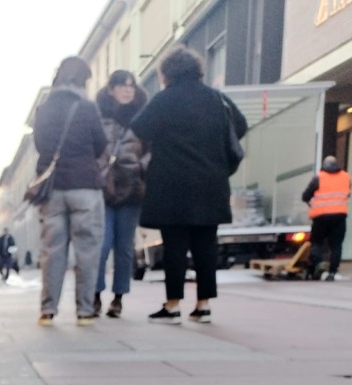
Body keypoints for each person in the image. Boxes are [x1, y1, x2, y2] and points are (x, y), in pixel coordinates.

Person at [129, 46, 246, 324]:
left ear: (167, 73)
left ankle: (172, 306)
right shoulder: (216, 99)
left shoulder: (164, 100)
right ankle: (203, 306)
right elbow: (240, 126)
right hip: (211, 181)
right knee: (206, 244)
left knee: (175, 246)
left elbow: (139, 128)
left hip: (173, 183)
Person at [32, 56, 107, 326]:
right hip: (85, 186)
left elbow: (40, 145)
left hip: (52, 188)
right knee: (87, 250)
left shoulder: (44, 109)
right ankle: (85, 312)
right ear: (82, 80)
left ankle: (48, 311)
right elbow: (100, 144)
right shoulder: (87, 108)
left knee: (52, 251)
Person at [93, 70, 148, 318]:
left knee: (124, 248)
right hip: (104, 189)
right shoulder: (99, 115)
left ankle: (118, 298)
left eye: (131, 86)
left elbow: (152, 148)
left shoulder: (143, 118)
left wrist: (140, 167)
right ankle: (94, 295)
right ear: (111, 89)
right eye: (122, 85)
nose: (127, 90)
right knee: (102, 247)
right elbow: (92, 147)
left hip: (132, 189)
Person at [303, 155, 351, 281]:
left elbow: (305, 196)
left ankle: (318, 267)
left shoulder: (319, 177)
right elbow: (348, 193)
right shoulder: (346, 177)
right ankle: (332, 272)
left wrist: (311, 202)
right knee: (336, 245)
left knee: (317, 243)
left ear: (324, 165)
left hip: (320, 217)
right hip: (339, 217)